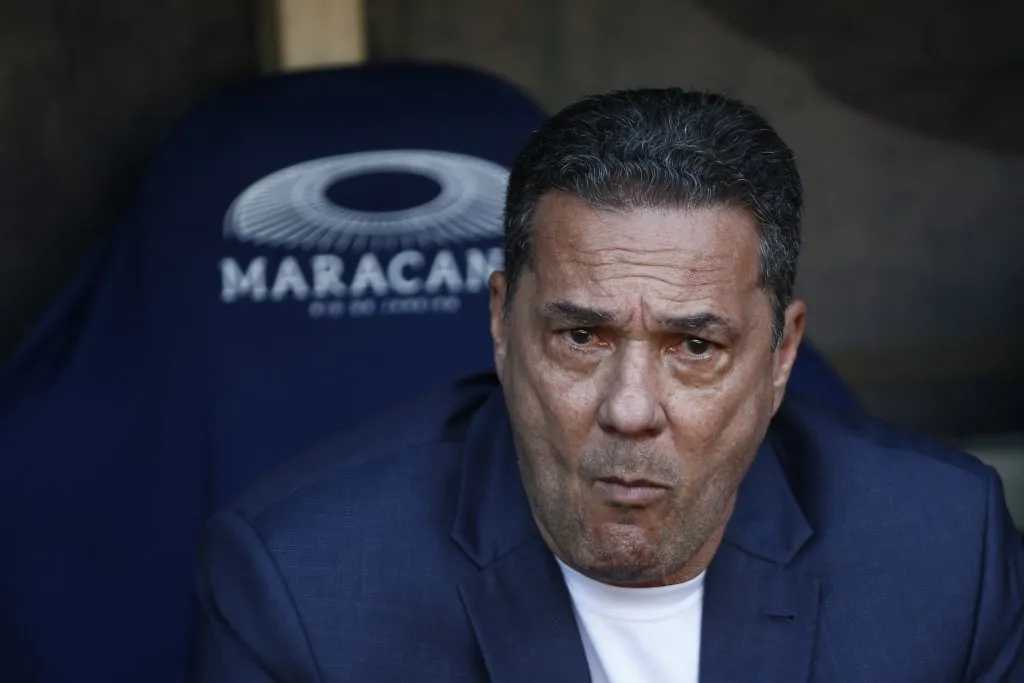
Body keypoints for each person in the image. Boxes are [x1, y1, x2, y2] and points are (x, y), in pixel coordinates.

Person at [193, 89, 1024, 682]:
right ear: (501, 323)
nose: (629, 408)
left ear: (781, 353)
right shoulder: (302, 582)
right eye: (582, 337)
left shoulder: (944, 549)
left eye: (694, 345)